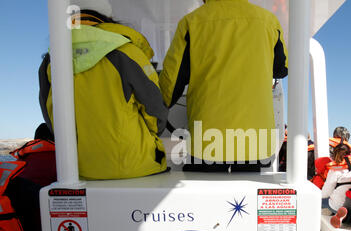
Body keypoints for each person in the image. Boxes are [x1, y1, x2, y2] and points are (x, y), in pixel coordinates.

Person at [39, 0, 168, 180]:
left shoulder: (51, 61)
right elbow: (155, 111)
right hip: (137, 165)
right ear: (105, 17)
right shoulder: (128, 52)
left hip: (79, 170)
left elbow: (52, 118)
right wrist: (153, 133)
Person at [159, 0, 288, 172]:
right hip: (253, 142)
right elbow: (282, 69)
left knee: (202, 195)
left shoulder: (192, 21)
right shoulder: (269, 21)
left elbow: (172, 81)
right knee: (244, 197)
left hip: (207, 140)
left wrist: (156, 114)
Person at [321, 144, 351, 215]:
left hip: (337, 206)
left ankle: (334, 213)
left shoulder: (335, 170)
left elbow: (326, 192)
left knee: (318, 200)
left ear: (335, 155)